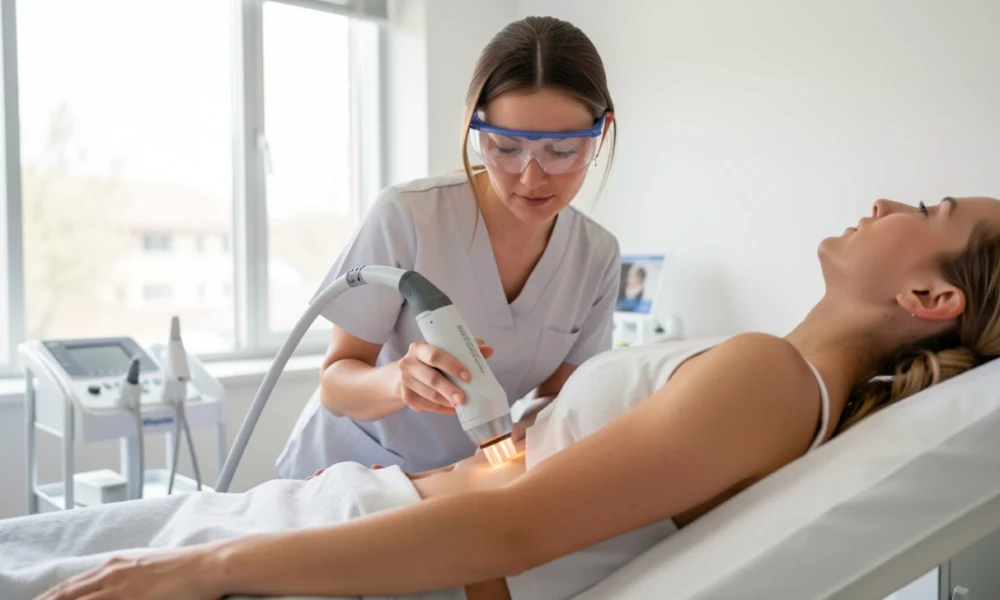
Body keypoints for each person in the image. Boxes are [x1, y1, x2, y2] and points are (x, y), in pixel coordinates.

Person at [14, 196, 1000, 600]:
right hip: (359, 510)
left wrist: (207, 572)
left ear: (930, 299)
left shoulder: (768, 381)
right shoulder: (776, 380)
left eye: (923, 210)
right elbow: (535, 489)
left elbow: (509, 537)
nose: (884, 204)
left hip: (362, 547)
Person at [276, 15, 621, 479]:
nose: (532, 177)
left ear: (601, 132)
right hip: (343, 472)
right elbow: (336, 384)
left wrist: (534, 423)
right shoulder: (410, 216)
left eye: (562, 152)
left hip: (460, 482)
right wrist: (398, 380)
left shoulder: (595, 257)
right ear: (473, 127)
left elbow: (561, 393)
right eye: (505, 147)